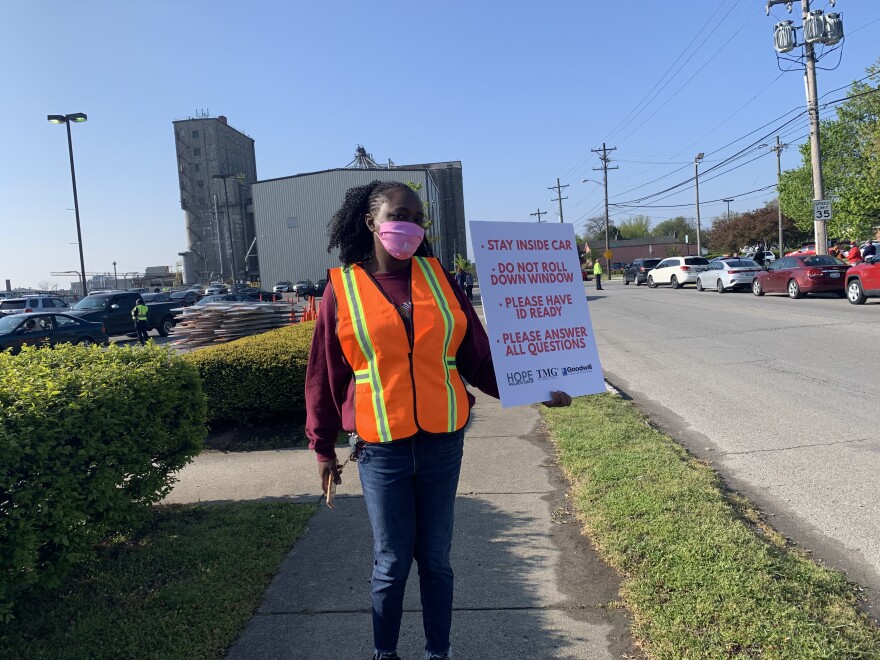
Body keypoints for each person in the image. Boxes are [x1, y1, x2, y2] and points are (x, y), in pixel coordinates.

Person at [305, 180, 571, 660]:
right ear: (371, 222)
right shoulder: (341, 289)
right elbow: (324, 375)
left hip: (442, 443)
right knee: (390, 562)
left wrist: (534, 388)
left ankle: (438, 653)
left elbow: (477, 358)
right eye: (397, 215)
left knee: (436, 560)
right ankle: (385, 653)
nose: (409, 225)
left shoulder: (441, 280)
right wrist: (322, 447)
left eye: (417, 218)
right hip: (380, 447)